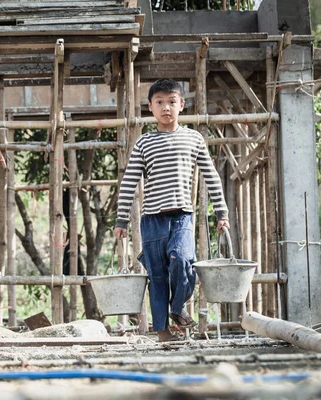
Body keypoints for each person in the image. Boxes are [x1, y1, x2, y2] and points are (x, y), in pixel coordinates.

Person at [113, 79, 230, 342]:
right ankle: (163, 332)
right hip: (152, 220)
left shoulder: (194, 138)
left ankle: (177, 308)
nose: (166, 107)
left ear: (182, 105)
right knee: (157, 275)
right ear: (150, 108)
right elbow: (129, 181)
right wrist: (121, 219)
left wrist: (221, 214)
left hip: (182, 216)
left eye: (172, 102)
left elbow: (212, 177)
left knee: (182, 258)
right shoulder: (144, 143)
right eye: (160, 102)